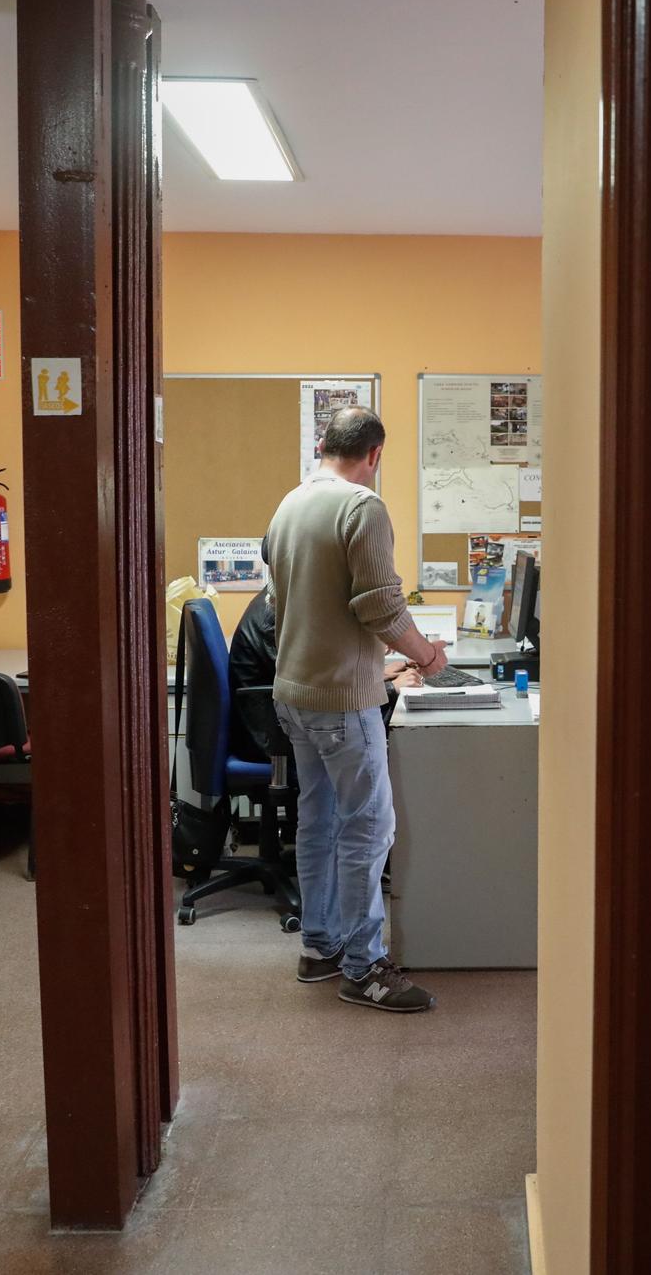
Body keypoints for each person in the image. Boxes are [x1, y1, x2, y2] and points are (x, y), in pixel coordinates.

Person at [261, 406, 447, 1012]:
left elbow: (281, 600)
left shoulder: (290, 503)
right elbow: (379, 607)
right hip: (342, 702)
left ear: (323, 445)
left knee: (319, 823)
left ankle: (320, 947)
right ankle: (365, 969)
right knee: (369, 829)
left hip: (294, 694)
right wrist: (427, 655)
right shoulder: (360, 507)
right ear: (374, 455)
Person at [226, 586, 421, 762]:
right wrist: (389, 688)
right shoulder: (274, 617)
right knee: (383, 734)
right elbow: (317, 685)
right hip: (271, 737)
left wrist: (378, 675)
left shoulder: (279, 602)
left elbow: (322, 667)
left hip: (279, 721)